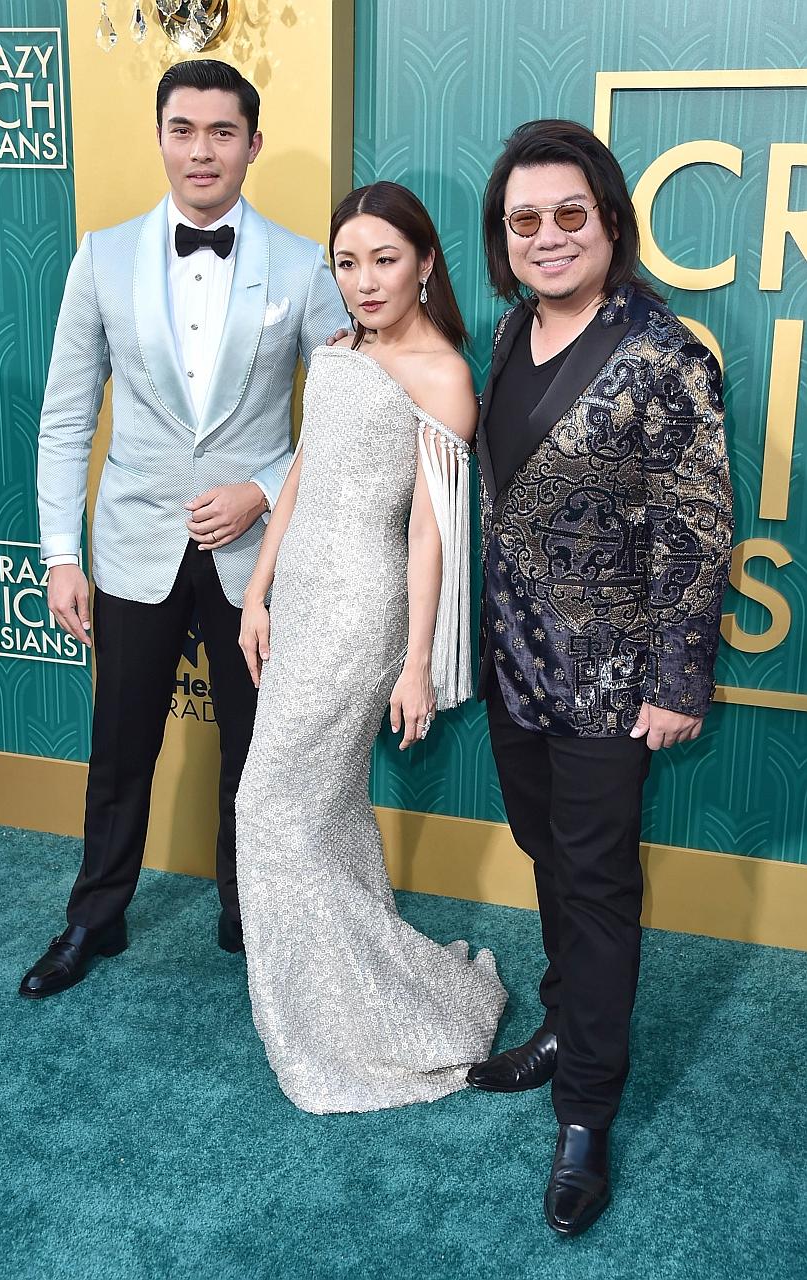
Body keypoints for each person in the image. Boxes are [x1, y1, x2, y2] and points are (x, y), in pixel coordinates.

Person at [19, 60, 348, 998]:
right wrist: (57, 554)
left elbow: (345, 407)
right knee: (121, 747)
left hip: (254, 558)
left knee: (255, 750)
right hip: (130, 546)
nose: (200, 149)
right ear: (160, 135)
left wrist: (264, 484)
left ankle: (250, 918)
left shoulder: (300, 263)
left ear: (251, 141)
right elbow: (65, 418)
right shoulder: (102, 256)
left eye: (220, 131)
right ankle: (95, 917)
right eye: (182, 128)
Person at [466, 119, 733, 1235]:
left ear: (610, 219)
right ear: (504, 239)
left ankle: (587, 1111)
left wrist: (676, 679)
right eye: (525, 220)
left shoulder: (668, 354)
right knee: (547, 856)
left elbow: (698, 528)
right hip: (515, 667)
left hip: (613, 681)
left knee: (599, 880)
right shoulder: (508, 332)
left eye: (570, 213)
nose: (548, 235)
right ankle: (567, 1019)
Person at [230, 181, 508, 1113]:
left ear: (426, 262)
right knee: (324, 810)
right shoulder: (337, 349)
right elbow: (302, 474)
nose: (363, 281)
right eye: (346, 263)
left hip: (361, 611)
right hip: (299, 597)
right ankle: (345, 993)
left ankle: (345, 1020)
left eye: (384, 259)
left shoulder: (442, 375)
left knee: (268, 809)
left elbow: (430, 535)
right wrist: (257, 593)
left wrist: (416, 661)